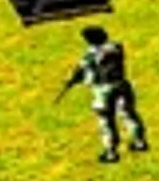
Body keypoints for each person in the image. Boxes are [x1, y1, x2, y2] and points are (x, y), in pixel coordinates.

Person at [62, 26, 147, 164]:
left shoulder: (90, 54)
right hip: (121, 84)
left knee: (106, 121)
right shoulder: (116, 47)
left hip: (103, 89)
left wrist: (72, 81)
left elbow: (82, 71)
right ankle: (139, 142)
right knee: (129, 114)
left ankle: (110, 152)